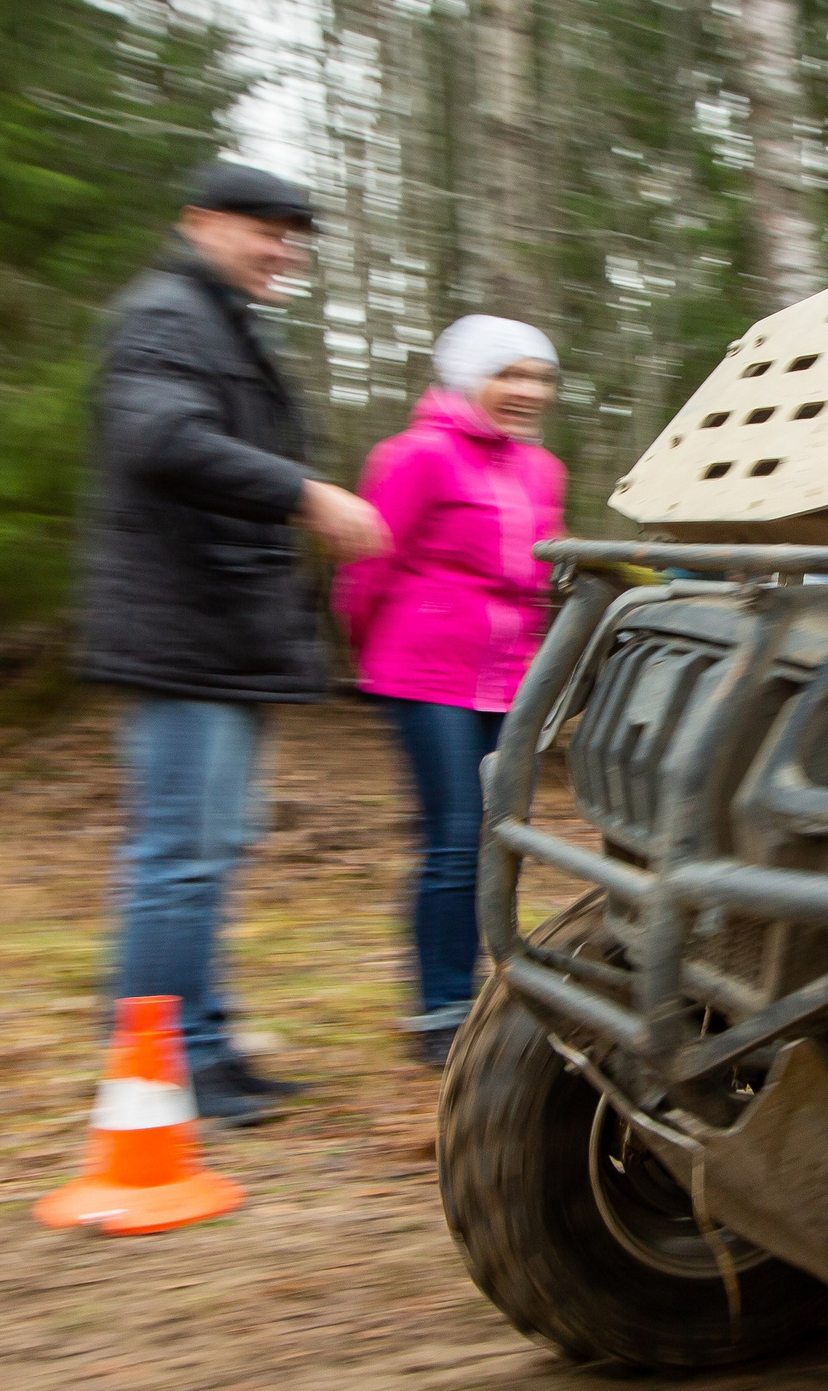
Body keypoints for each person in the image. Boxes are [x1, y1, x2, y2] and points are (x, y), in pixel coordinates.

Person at [78, 162, 389, 1126]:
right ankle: (162, 1065)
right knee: (178, 855)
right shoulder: (167, 314)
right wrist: (307, 494)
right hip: (184, 633)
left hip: (227, 635)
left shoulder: (224, 321)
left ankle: (204, 1044)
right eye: (267, 230)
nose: (284, 250)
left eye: (296, 237)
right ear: (200, 221)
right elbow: (160, 441)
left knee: (209, 852)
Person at [340, 316, 565, 1068]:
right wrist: (377, 654)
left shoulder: (543, 471)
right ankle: (440, 1007)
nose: (528, 391)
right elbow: (367, 568)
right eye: (510, 374)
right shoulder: (415, 456)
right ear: (469, 379)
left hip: (509, 676)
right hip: (424, 668)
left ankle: (483, 990)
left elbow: (540, 581)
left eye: (539, 378)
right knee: (455, 833)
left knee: (499, 833)